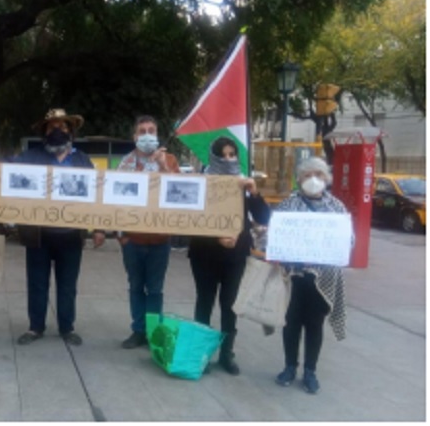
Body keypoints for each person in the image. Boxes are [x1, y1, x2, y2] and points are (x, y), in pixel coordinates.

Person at [12, 108, 105, 346]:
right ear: (45, 131)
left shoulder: (83, 161)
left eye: (62, 126)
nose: (57, 130)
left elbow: (96, 195)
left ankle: (66, 327)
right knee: (36, 282)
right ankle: (35, 327)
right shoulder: (28, 158)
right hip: (38, 234)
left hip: (71, 236)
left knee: (67, 285)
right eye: (52, 126)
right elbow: (7, 181)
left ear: (70, 131)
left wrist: (98, 227)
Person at [187, 136, 270, 375]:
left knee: (230, 306)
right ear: (213, 157)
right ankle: (200, 354)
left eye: (232, 154)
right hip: (204, 254)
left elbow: (264, 217)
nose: (228, 159)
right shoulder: (202, 183)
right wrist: (215, 237)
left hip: (235, 256)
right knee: (204, 303)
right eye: (222, 155)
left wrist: (254, 193)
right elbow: (190, 221)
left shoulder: (243, 184)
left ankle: (226, 354)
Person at [274, 156, 349, 394]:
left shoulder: (336, 207)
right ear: (299, 179)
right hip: (294, 275)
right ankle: (289, 367)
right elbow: (275, 235)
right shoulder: (288, 205)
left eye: (318, 174)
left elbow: (349, 239)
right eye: (307, 175)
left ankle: (310, 371)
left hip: (322, 277)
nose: (313, 180)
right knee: (291, 322)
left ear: (326, 178)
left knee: (315, 325)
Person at [115, 115, 180, 349]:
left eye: (151, 130)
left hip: (160, 239)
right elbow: (116, 200)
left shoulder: (170, 160)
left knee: (155, 289)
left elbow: (182, 193)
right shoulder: (125, 163)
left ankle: (153, 332)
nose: (146, 135)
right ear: (134, 137)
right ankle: (138, 330)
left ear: (157, 134)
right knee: (135, 286)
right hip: (133, 239)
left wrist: (163, 166)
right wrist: (121, 234)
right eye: (141, 131)